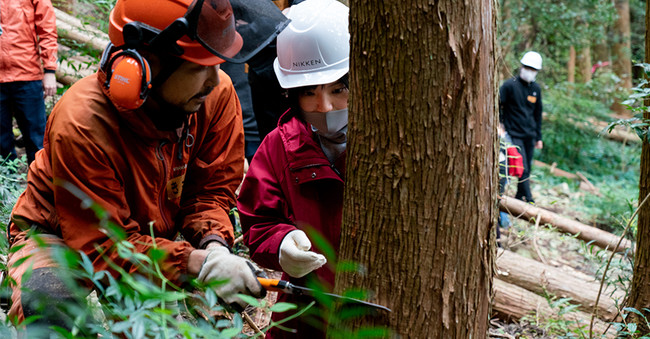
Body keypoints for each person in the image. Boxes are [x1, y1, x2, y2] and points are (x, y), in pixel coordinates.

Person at [6, 0, 288, 333]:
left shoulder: (215, 97)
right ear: (142, 67)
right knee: (50, 308)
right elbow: (104, 247)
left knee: (153, 329)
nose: (215, 80)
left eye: (218, 64)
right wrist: (192, 262)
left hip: (153, 238)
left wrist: (214, 249)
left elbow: (210, 193)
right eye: (201, 68)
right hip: (61, 233)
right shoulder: (83, 123)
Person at [237, 0, 349, 337]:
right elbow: (258, 224)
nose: (325, 106)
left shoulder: (392, 143)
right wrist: (282, 244)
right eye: (309, 92)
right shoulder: (278, 146)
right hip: (304, 315)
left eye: (339, 89)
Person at [0, 0, 58, 164]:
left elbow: (47, 30)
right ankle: (7, 185)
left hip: (27, 74)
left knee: (36, 138)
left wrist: (49, 71)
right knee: (1, 141)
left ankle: (40, 185)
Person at [499, 51, 544, 204]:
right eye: (527, 67)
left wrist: (539, 138)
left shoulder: (535, 89)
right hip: (513, 133)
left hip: (529, 135)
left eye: (533, 69)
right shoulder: (509, 85)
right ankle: (529, 199)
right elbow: (498, 105)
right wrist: (500, 126)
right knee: (521, 167)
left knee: (528, 168)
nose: (530, 71)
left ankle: (519, 196)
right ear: (522, 66)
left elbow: (538, 114)